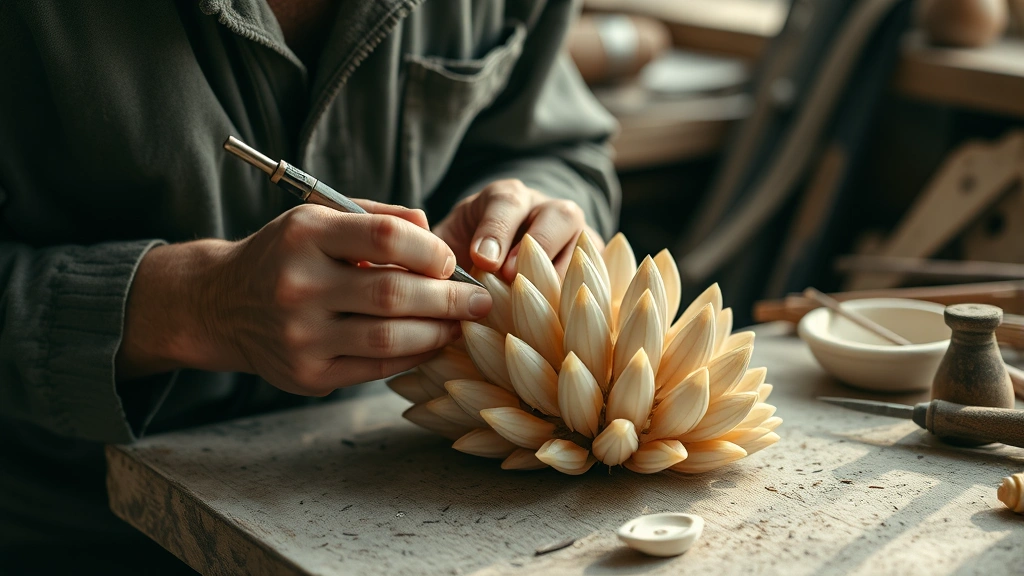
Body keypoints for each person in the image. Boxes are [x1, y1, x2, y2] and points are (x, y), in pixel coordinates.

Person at [0, 0, 619, 571]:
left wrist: (536, 208)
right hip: (83, 525)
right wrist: (193, 303)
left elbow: (560, 145)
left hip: (393, 482)